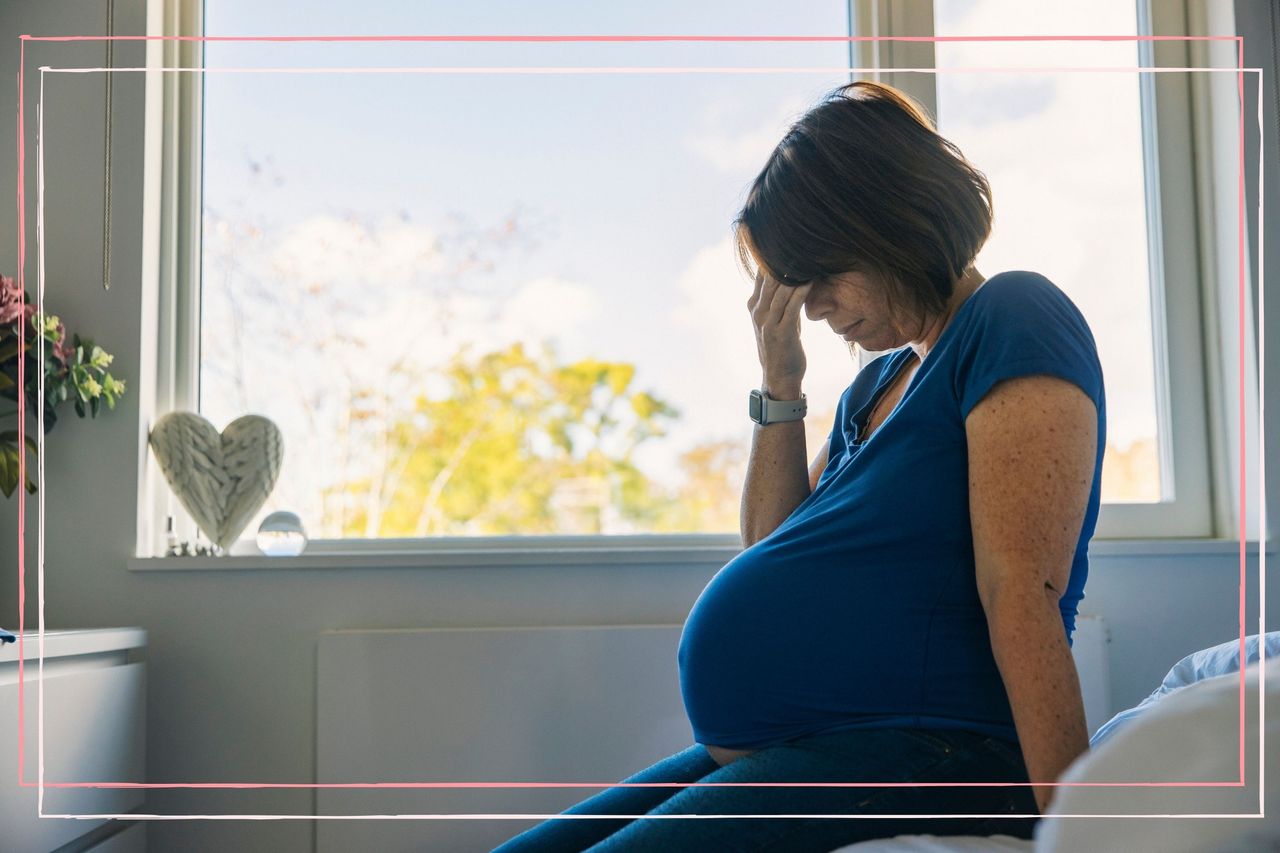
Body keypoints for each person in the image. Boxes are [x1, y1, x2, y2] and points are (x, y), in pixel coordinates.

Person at [493, 80, 1107, 852]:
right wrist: (781, 383)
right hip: (829, 742)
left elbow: (1020, 587)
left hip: (941, 751)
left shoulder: (1012, 317)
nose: (811, 305)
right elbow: (773, 546)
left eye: (822, 273)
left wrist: (1079, 829)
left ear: (892, 220)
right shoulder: (877, 386)